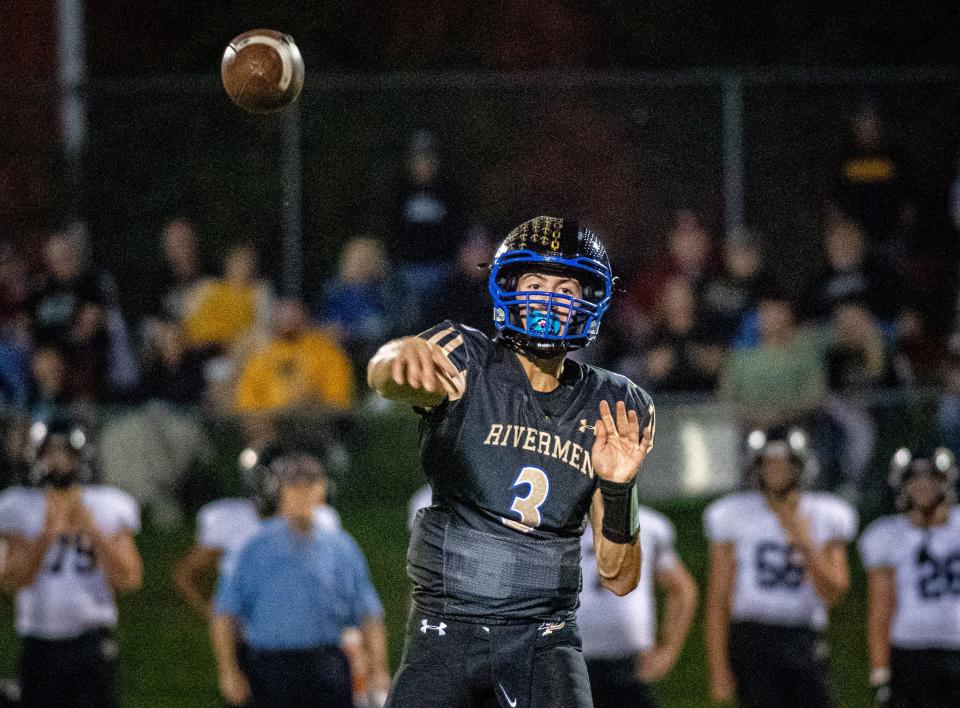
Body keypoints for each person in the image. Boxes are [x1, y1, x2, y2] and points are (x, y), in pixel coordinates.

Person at [368, 216, 656, 708]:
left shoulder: (612, 405)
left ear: (587, 301)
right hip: (447, 628)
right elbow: (392, 375)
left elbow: (620, 577)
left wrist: (619, 486)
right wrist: (401, 353)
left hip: (543, 639)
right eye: (536, 283)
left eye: (565, 287)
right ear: (510, 289)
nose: (549, 299)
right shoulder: (467, 358)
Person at [210, 451, 390, 708]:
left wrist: (378, 669)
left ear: (322, 489)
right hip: (269, 667)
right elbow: (225, 613)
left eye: (310, 485)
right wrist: (228, 670)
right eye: (294, 486)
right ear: (280, 490)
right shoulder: (251, 548)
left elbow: (369, 614)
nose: (302, 494)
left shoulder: (341, 547)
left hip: (325, 664)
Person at [704, 426, 857, 708]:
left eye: (785, 463)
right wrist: (718, 666)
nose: (776, 470)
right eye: (769, 463)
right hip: (751, 638)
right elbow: (718, 598)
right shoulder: (733, 515)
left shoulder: (824, 515)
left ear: (801, 466)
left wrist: (806, 543)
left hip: (802, 636)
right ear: (755, 468)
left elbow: (835, 592)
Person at [0, 418, 142, 708]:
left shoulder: (107, 505)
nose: (58, 461)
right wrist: (44, 539)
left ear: (81, 456)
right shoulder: (17, 506)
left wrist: (94, 535)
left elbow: (130, 579)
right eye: (50, 452)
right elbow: (10, 580)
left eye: (65, 452)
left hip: (91, 639)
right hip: (38, 639)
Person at [858, 448, 960, 708]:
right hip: (910, 653)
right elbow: (881, 608)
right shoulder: (887, 534)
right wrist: (880, 671)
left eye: (931, 479)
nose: (923, 486)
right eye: (915, 479)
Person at [578, 510, 698, 708]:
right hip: (571, 662)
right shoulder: (553, 526)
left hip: (631, 665)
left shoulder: (647, 526)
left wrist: (668, 651)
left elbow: (682, 590)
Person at [234, 299, 354, 413]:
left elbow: (338, 399)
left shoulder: (327, 352)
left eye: (293, 316)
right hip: (270, 420)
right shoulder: (262, 356)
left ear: (305, 318)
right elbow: (246, 401)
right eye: (284, 317)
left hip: (313, 420)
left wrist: (310, 403)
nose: (289, 321)